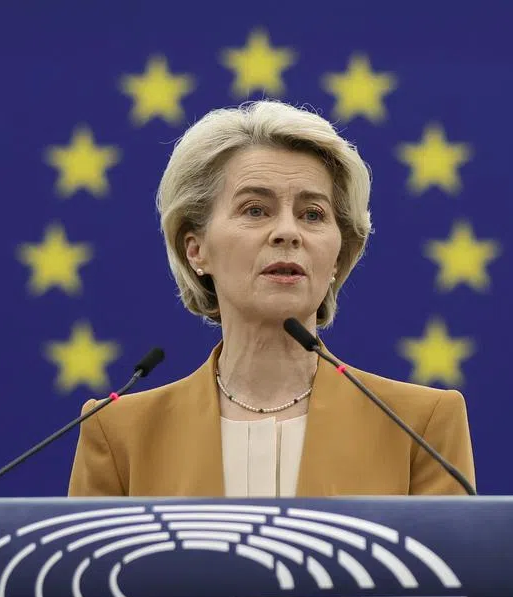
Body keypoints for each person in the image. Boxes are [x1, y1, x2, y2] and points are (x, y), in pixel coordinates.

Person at [68, 100, 475, 498]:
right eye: (256, 210)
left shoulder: (418, 425)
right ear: (196, 250)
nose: (287, 232)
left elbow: (449, 567)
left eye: (312, 214)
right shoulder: (120, 432)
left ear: (337, 255)